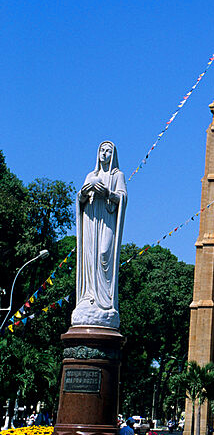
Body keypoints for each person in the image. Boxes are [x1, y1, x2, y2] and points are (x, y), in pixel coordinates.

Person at [71, 141, 127, 329]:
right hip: (91, 220)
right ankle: (89, 297)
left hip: (108, 218)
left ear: (113, 155)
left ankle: (105, 300)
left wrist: (109, 193)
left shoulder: (117, 175)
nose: (104, 154)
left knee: (104, 254)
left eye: (108, 151)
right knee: (91, 257)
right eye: (102, 150)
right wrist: (83, 195)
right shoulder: (91, 175)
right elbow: (80, 199)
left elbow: (122, 198)